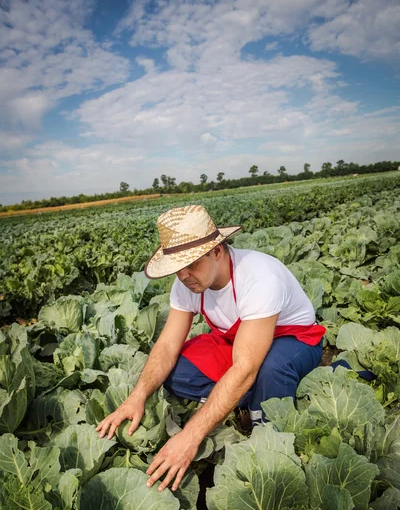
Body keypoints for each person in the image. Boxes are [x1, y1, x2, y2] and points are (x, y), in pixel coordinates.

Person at [96, 205, 325, 492]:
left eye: (192, 264)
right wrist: (137, 396)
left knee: (269, 369)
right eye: (178, 268)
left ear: (217, 251)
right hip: (239, 342)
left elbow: (245, 367)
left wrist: (190, 437)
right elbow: (166, 345)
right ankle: (244, 396)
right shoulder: (186, 284)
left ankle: (259, 413)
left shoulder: (259, 278)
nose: (185, 275)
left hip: (294, 341)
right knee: (176, 371)